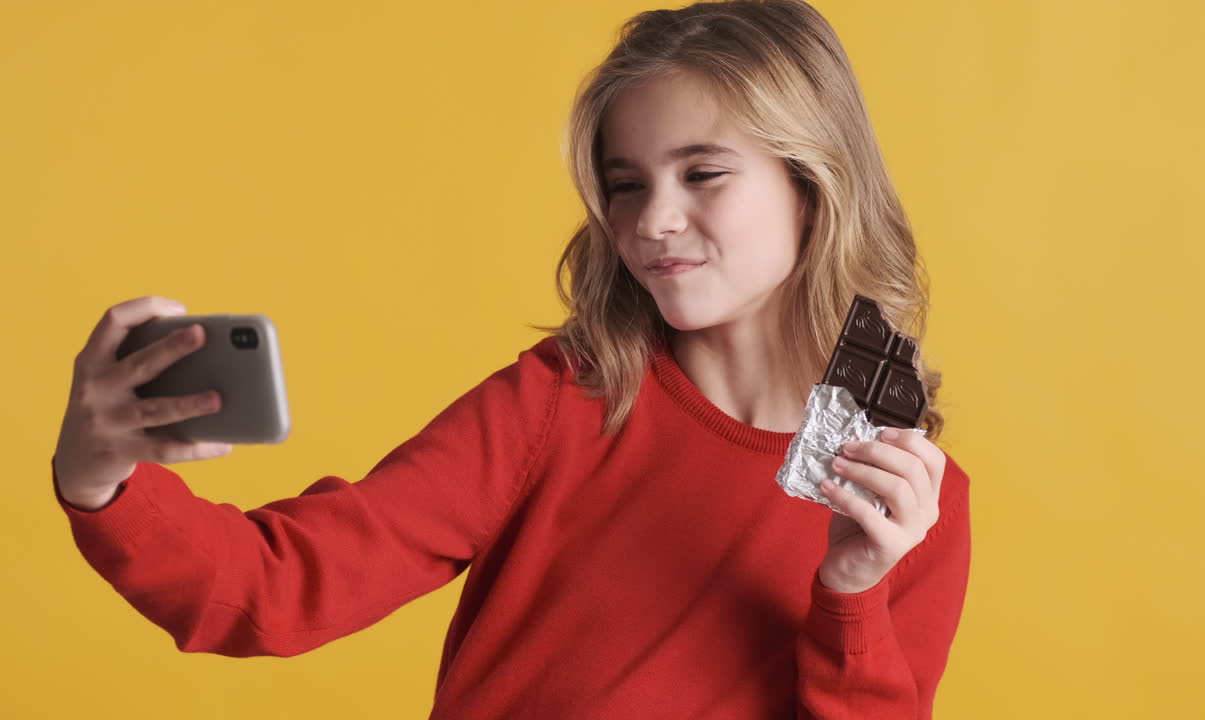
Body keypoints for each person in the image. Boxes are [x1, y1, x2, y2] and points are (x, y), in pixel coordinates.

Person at [51, 1, 971, 717]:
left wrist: (850, 593)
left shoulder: (910, 498)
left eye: (703, 173)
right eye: (624, 185)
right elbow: (279, 590)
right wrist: (103, 480)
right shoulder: (563, 402)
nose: (650, 221)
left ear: (813, 183)